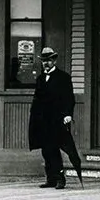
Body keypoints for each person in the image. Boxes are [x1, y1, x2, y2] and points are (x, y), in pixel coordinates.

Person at [28, 46, 74, 189]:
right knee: (46, 150)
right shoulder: (41, 79)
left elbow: (69, 98)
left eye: (49, 60)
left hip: (57, 119)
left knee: (54, 148)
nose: (46, 63)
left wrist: (68, 114)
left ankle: (60, 178)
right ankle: (51, 179)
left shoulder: (63, 77)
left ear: (54, 60)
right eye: (44, 61)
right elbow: (37, 99)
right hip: (43, 120)